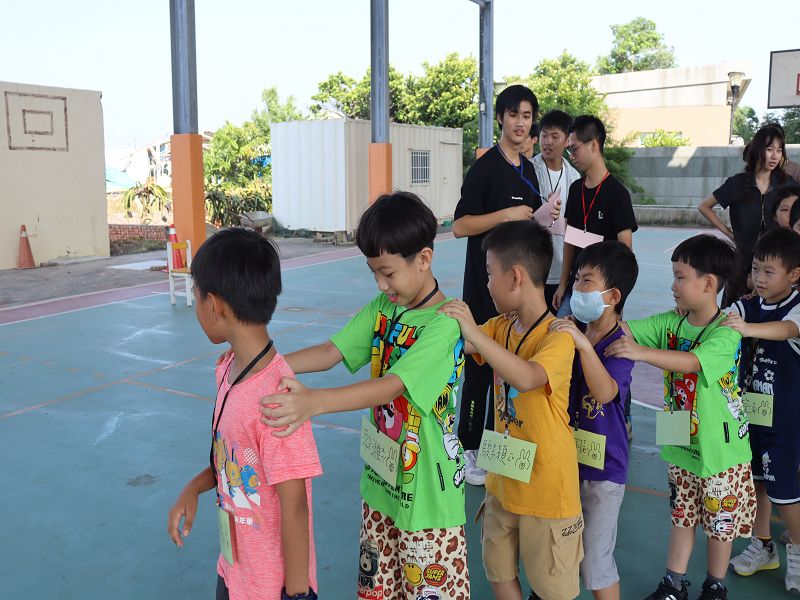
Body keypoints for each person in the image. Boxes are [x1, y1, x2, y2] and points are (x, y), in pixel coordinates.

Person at [259, 192, 470, 600]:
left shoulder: (443, 326)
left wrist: (314, 403)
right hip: (380, 486)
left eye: (388, 273)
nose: (380, 284)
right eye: (373, 272)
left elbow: (392, 385)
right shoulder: (382, 309)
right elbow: (330, 351)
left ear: (424, 259)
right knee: (377, 591)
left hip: (428, 499)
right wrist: (266, 365)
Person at [167, 228, 322, 600]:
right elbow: (234, 458)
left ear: (215, 305)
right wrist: (195, 486)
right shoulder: (228, 368)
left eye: (196, 294)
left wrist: (297, 596)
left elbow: (295, 508)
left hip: (270, 589)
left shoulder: (278, 400)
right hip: (234, 571)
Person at [606, 234, 754, 600]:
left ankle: (715, 585)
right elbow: (626, 330)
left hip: (719, 447)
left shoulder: (726, 331)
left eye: (680, 277)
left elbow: (692, 362)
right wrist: (594, 319)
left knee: (719, 525)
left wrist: (640, 353)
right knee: (681, 515)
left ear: (708, 283)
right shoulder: (673, 322)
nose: (673, 285)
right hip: (679, 437)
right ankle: (673, 583)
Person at [440, 220, 583, 600]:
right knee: (498, 571)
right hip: (501, 481)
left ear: (515, 277)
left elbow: (527, 376)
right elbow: (465, 341)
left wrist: (473, 332)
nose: (486, 284)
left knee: (552, 589)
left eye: (490, 274)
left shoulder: (558, 337)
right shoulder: (501, 326)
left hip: (547, 491)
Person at [453, 84, 545, 487]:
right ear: (501, 119)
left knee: (507, 370)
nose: (520, 123)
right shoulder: (485, 168)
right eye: (513, 115)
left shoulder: (528, 170)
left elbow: (528, 222)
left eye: (527, 116)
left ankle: (496, 447)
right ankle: (468, 447)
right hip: (484, 286)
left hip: (516, 291)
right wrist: (505, 214)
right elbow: (460, 225)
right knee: (478, 370)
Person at [549, 241, 638, 600]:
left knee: (596, 564)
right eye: (576, 279)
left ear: (613, 296)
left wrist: (583, 346)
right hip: (565, 462)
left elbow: (604, 392)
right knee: (559, 551)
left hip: (603, 470)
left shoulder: (621, 343)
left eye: (586, 281)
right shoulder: (572, 329)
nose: (576, 288)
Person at [723, 228, 800, 592]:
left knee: (785, 491)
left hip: (785, 421)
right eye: (756, 269)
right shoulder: (745, 305)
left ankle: (797, 550)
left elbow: (786, 330)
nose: (760, 277)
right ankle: (763, 544)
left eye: (770, 271)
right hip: (750, 415)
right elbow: (722, 320)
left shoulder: (795, 308)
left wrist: (747, 328)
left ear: (794, 274)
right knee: (755, 485)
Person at [697, 124, 797, 306]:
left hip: (776, 265)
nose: (775, 156)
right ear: (758, 150)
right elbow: (704, 206)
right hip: (741, 263)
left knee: (770, 311)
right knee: (733, 310)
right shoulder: (738, 183)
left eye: (779, 150)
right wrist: (729, 233)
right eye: (769, 149)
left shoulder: (786, 184)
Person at [553, 115, 637, 315]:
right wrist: (562, 284)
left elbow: (625, 253)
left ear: (593, 145)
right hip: (576, 287)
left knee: (598, 337)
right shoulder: (575, 189)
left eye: (574, 149)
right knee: (559, 330)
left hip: (603, 294)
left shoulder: (617, 194)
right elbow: (570, 241)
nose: (571, 156)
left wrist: (618, 302)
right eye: (569, 150)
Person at [531, 109, 581, 312]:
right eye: (544, 135)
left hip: (562, 270)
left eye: (554, 136)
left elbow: (576, 228)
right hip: (533, 268)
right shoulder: (529, 170)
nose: (548, 142)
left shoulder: (575, 178)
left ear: (567, 140)